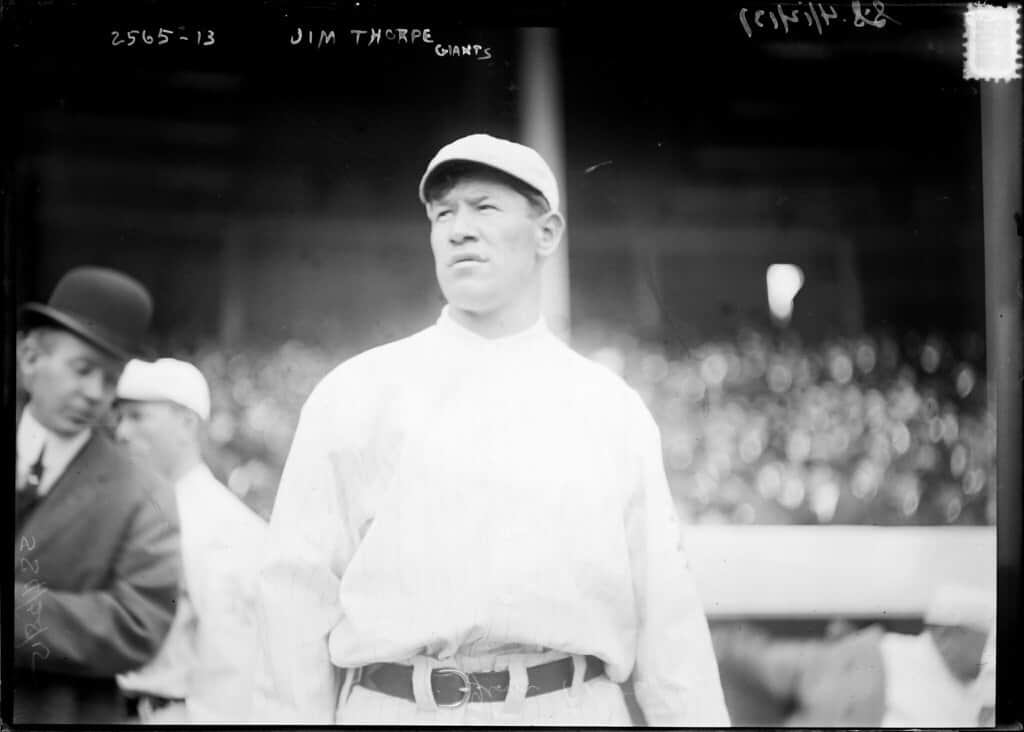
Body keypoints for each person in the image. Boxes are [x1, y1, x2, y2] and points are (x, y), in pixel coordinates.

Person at [251, 133, 730, 725]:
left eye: (484, 207)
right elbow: (295, 600)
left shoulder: (609, 406)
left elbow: (668, 618)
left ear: (546, 232)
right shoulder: (357, 392)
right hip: (399, 706)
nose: (458, 229)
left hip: (567, 705)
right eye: (442, 213)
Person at [13, 266, 181, 724]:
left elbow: (138, 625)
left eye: (110, 380)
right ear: (29, 358)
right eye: (82, 370)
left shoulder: (144, 491)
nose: (95, 393)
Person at [113, 357, 269, 723]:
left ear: (186, 424)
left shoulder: (222, 525)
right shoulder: (132, 509)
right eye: (120, 417)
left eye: (137, 417)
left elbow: (230, 672)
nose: (121, 432)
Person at [711, 582, 995, 727]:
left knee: (754, 660)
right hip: (854, 669)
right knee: (750, 659)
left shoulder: (977, 697)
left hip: (858, 687)